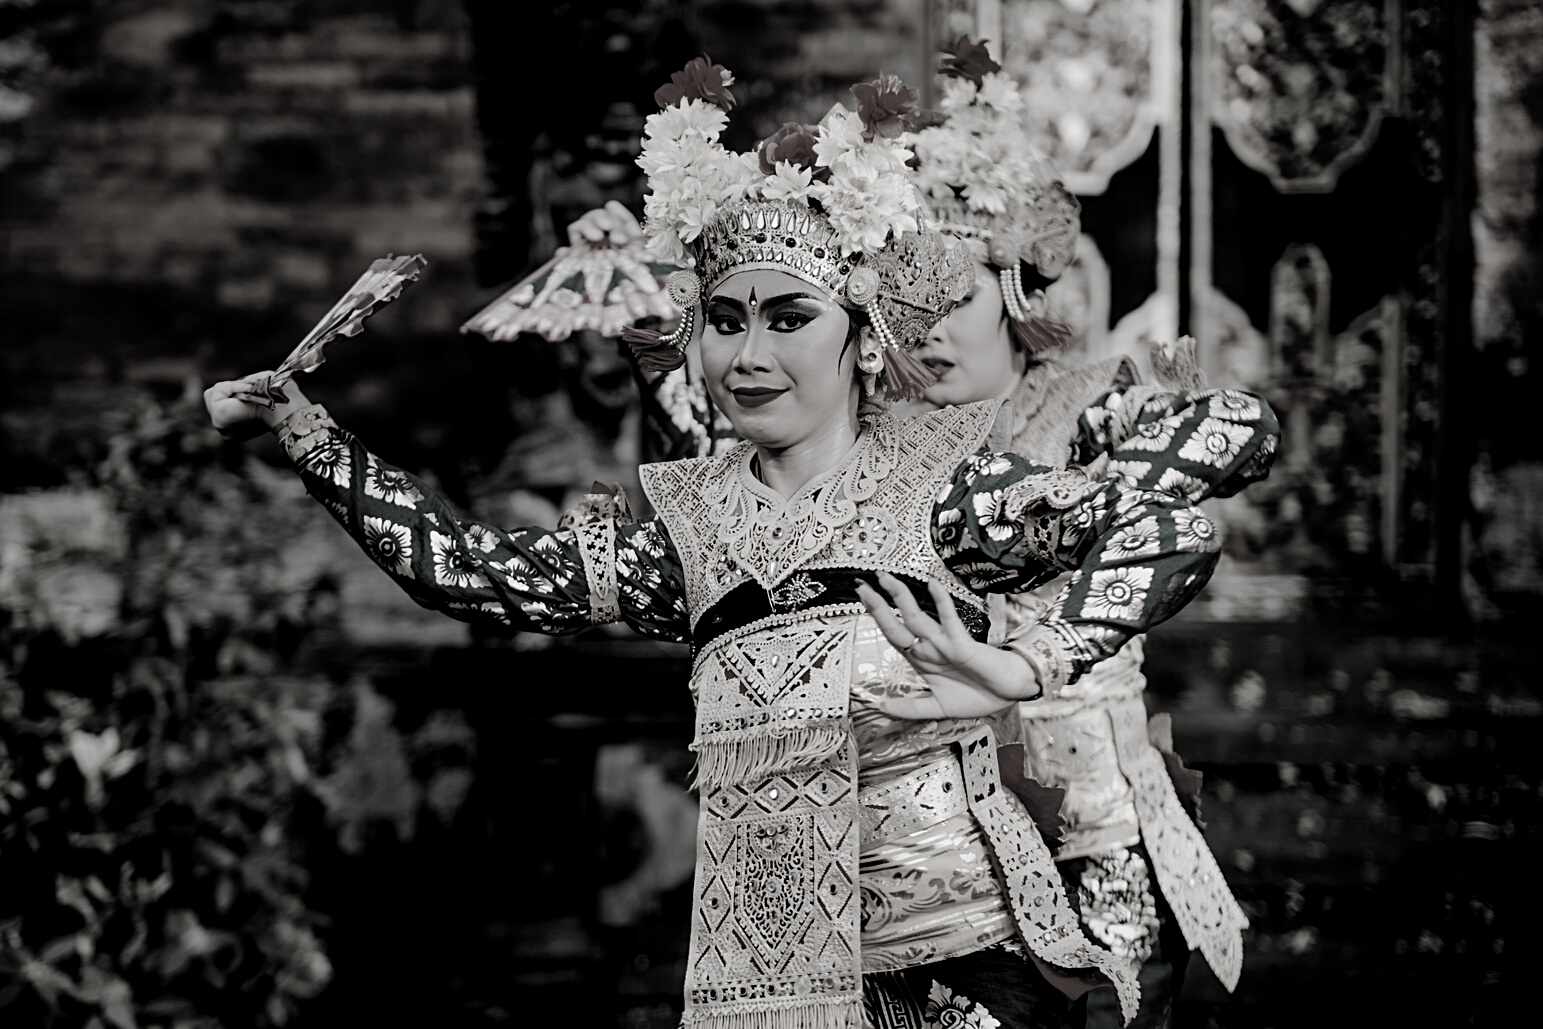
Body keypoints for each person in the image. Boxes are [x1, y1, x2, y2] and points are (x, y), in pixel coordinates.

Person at [206, 59, 1278, 1029]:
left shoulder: (945, 498)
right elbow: (471, 574)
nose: (749, 354)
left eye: (787, 319)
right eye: (725, 319)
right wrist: (309, 434)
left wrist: (1018, 660)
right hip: (771, 996)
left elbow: (1169, 529)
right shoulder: (683, 534)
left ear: (865, 343)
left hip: (966, 980)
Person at [904, 37, 1253, 1029]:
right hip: (934, 819)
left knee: (1108, 1007)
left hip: (1087, 801)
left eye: (953, 298)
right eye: (903, 301)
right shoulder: (875, 437)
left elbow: (1233, 436)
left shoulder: (1092, 402)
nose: (924, 328)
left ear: (1014, 292)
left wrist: (1134, 457)